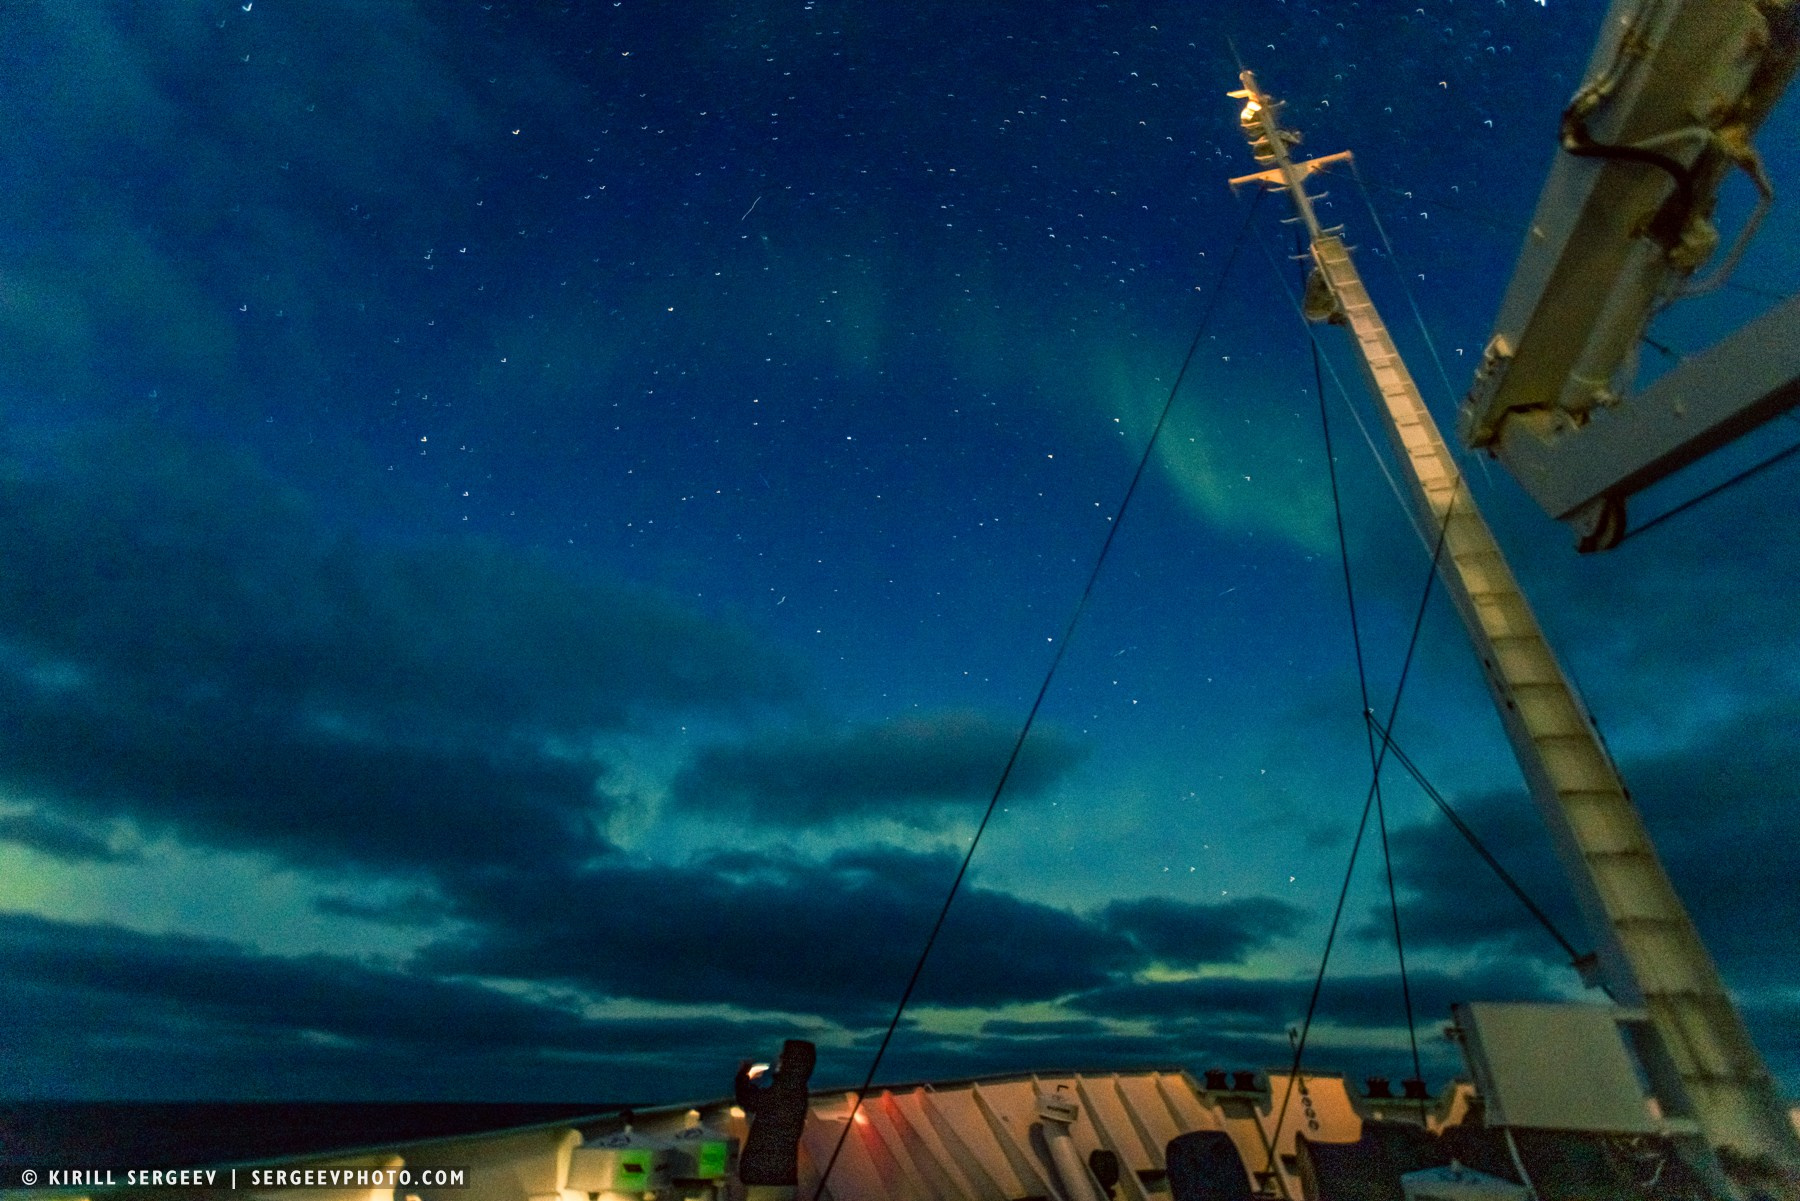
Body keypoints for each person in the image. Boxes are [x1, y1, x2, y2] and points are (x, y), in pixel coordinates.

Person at [734, 1039, 816, 1200]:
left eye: (783, 1056)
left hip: (767, 1180)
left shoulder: (786, 1090)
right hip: (780, 1179)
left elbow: (750, 1100)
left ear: (791, 1062)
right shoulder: (797, 1090)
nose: (779, 1059)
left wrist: (743, 1075)